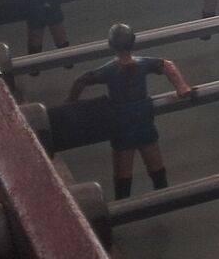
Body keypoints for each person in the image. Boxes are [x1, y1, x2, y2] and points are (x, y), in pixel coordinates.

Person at [66, 23, 196, 198]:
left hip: (122, 122)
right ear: (133, 41)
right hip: (143, 117)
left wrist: (71, 102)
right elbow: (167, 65)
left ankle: (124, 202)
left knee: (124, 171)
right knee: (155, 164)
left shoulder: (110, 70)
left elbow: (81, 80)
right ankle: (164, 196)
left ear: (110, 45)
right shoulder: (142, 64)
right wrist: (181, 87)